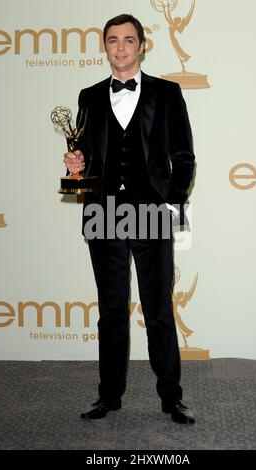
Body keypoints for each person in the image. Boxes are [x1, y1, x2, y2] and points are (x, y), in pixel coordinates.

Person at [64, 14, 195, 424]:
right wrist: (73, 164)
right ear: (105, 47)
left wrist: (172, 205)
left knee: (158, 309)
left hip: (152, 211)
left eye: (128, 40)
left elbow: (184, 157)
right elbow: (83, 159)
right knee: (111, 310)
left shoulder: (168, 93)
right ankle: (109, 396)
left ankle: (171, 397)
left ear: (142, 45)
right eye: (112, 41)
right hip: (103, 213)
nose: (120, 47)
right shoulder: (88, 96)